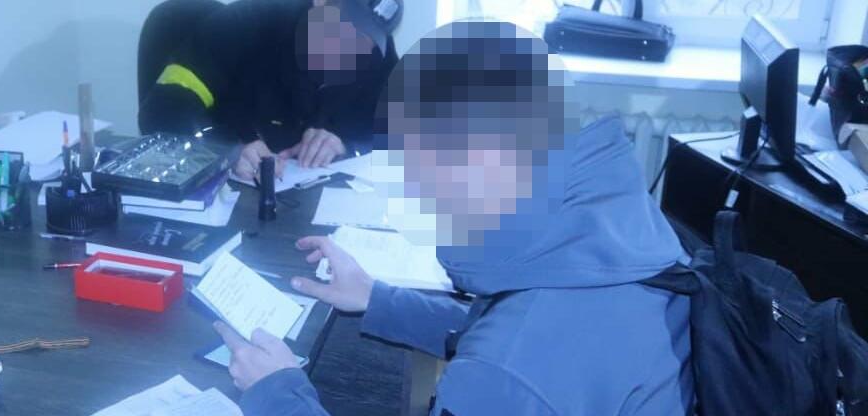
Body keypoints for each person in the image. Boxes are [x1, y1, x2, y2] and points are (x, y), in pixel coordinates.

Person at [212, 21, 695, 415]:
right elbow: (517, 324)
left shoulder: (505, 373)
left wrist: (277, 393)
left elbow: (516, 359)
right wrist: (378, 299)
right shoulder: (610, 226)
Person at [136, 0, 401, 182]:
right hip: (218, 194)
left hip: (300, 207)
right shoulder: (244, 24)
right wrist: (224, 150)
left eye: (364, 40)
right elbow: (163, 109)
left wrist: (347, 145)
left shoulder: (376, 58)